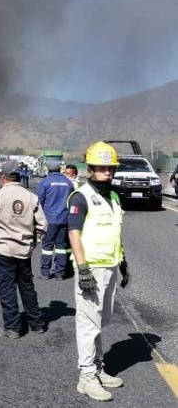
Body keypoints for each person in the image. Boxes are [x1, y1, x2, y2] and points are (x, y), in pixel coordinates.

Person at [67, 141, 130, 401]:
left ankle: (98, 368)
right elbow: (74, 233)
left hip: (110, 266)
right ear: (91, 168)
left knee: (100, 321)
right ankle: (86, 377)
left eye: (111, 168)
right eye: (102, 167)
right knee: (87, 323)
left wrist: (123, 261)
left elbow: (114, 232)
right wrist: (82, 269)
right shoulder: (80, 196)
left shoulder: (113, 197)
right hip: (91, 268)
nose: (108, 172)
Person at [0, 160, 48, 338]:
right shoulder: (31, 197)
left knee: (6, 287)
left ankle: (12, 327)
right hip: (24, 250)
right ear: (19, 176)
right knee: (27, 286)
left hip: (2, 249)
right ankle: (37, 324)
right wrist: (33, 242)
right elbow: (42, 225)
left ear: (3, 177)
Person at [37, 161, 74, 280]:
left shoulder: (45, 182)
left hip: (49, 220)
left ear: (49, 170)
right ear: (60, 170)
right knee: (61, 246)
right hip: (64, 219)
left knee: (47, 246)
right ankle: (60, 273)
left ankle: (45, 272)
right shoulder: (68, 183)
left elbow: (40, 201)